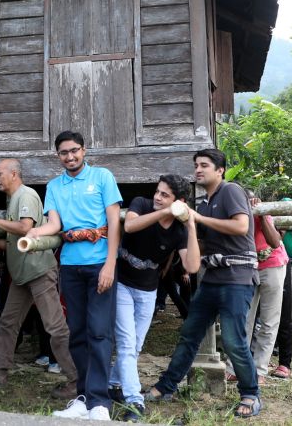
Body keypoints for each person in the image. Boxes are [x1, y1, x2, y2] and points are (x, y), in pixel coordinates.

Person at [146, 148, 262, 420]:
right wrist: (185, 229)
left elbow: (241, 227)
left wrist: (197, 219)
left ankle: (250, 393)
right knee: (189, 334)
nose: (198, 170)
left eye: (204, 165)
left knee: (234, 341)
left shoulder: (231, 190)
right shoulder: (204, 202)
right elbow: (199, 245)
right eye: (196, 165)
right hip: (210, 279)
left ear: (220, 170)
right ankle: (167, 387)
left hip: (237, 277)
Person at [25, 131, 121, 422]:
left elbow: (115, 221)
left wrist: (110, 264)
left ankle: (100, 401)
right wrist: (34, 231)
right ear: (58, 156)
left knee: (100, 332)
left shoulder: (103, 177)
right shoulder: (54, 186)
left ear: (84, 150)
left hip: (99, 263)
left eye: (74, 151)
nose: (70, 156)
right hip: (70, 265)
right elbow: (54, 224)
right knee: (76, 332)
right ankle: (82, 397)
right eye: (64, 152)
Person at [0, 159, 78, 401]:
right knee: (8, 323)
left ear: (13, 174)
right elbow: (13, 242)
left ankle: (77, 380)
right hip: (24, 275)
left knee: (55, 327)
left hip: (39, 272)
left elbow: (24, 228)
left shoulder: (26, 195)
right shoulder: (13, 199)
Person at [109, 175, 199, 422]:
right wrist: (164, 211)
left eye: (165, 195)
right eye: (157, 192)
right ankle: (134, 401)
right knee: (127, 344)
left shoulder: (180, 230)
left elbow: (191, 265)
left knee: (136, 344)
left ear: (179, 201)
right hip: (122, 284)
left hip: (148, 290)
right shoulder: (141, 203)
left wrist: (191, 228)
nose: (157, 197)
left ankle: (112, 382)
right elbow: (130, 226)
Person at [226, 201, 287, 382]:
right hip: (247, 267)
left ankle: (260, 370)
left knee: (269, 321)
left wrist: (261, 213)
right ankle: (235, 368)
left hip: (273, 264)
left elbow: (275, 242)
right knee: (243, 320)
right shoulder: (234, 214)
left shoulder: (263, 212)